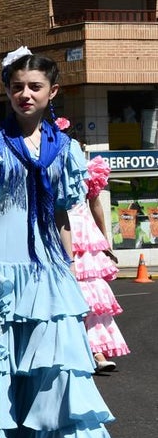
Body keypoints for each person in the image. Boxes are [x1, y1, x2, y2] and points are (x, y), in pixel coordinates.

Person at [0, 48, 127, 438]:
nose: (25, 94)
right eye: (17, 87)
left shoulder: (66, 149)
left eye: (34, 86)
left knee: (61, 370)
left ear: (53, 92)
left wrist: (67, 268)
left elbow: (64, 216)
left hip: (48, 270)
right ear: (7, 91)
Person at [70, 155, 129, 372]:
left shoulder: (88, 169)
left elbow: (95, 204)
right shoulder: (45, 164)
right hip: (58, 233)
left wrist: (104, 240)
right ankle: (76, 351)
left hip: (85, 238)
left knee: (93, 299)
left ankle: (97, 352)